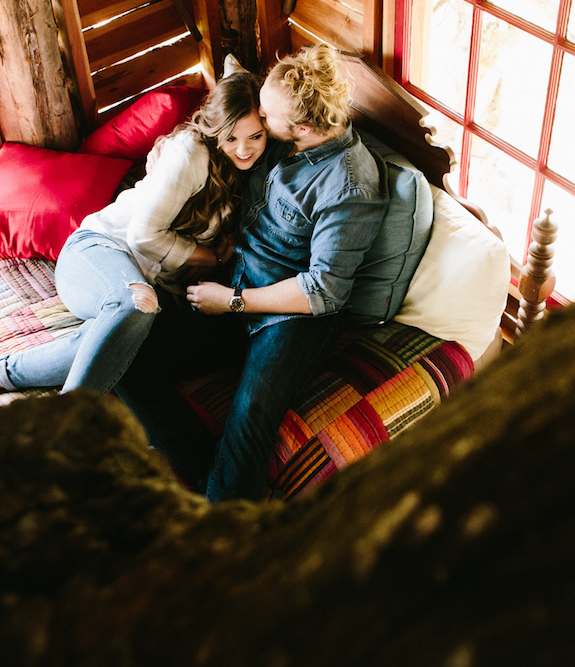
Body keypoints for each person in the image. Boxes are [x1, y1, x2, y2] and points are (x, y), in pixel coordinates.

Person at [114, 43, 388, 502]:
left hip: (290, 317)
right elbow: (232, 103)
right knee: (128, 360)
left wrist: (232, 301)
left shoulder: (351, 185)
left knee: (249, 424)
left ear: (300, 126)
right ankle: (212, 486)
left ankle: (230, 528)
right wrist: (170, 149)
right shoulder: (285, 136)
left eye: (265, 113)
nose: (258, 116)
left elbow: (322, 291)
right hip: (234, 283)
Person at [0, 68, 266, 408]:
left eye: (255, 136)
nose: (244, 148)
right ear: (215, 128)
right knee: (137, 304)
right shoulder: (192, 152)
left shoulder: (247, 170)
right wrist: (209, 257)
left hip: (146, 290)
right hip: (96, 252)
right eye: (231, 137)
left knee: (123, 338)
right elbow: (141, 236)